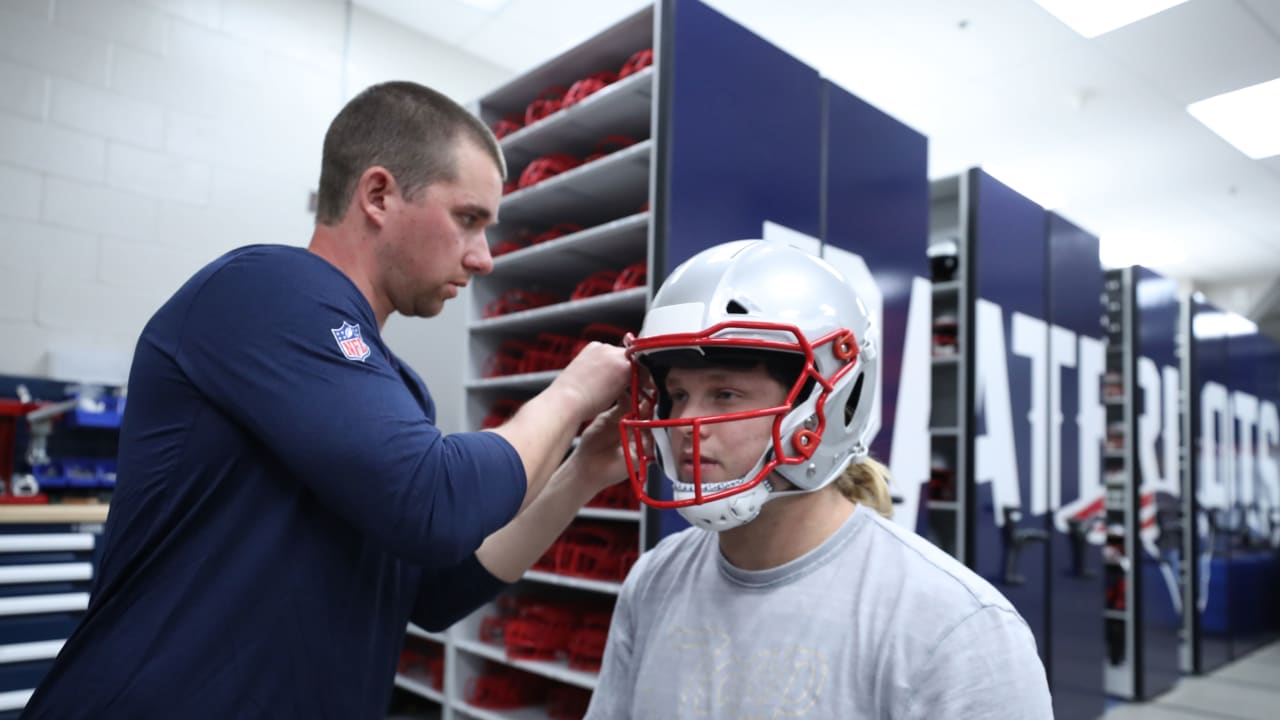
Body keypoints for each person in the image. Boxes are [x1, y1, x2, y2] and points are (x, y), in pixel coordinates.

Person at [23, 81, 630, 719]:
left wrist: (585, 468)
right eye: (468, 219)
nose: (482, 258)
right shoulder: (267, 289)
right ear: (378, 195)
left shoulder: (395, 388)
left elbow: (434, 589)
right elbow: (435, 500)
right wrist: (570, 393)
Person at [588, 240, 1052, 719]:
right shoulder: (654, 579)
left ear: (826, 408)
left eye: (725, 394)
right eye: (678, 394)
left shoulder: (958, 630)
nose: (686, 423)